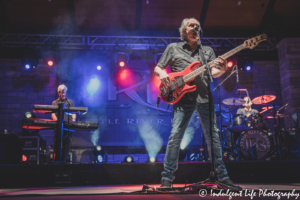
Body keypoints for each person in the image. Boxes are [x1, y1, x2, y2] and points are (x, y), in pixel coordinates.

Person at [154, 18, 242, 190]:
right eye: (191, 25)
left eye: (197, 25)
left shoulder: (207, 50)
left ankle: (222, 176)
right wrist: (162, 74)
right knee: (175, 137)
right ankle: (167, 178)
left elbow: (213, 73)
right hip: (181, 98)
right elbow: (158, 68)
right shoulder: (173, 48)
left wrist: (222, 68)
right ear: (184, 30)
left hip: (204, 97)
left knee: (213, 138)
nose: (195, 27)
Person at [52, 84, 76, 161]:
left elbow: (74, 113)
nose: (63, 94)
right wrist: (57, 122)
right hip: (59, 128)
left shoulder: (70, 102)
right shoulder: (55, 103)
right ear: (58, 92)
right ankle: (57, 161)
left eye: (64, 92)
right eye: (61, 92)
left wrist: (73, 121)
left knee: (66, 144)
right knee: (57, 144)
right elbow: (52, 114)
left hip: (68, 127)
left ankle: (64, 161)